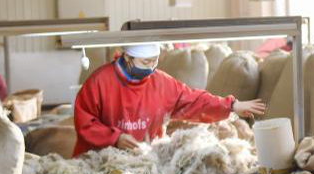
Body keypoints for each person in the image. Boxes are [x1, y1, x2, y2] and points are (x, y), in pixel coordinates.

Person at [73, 43, 266, 156]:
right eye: (145, 62)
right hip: (103, 161)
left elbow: (194, 101)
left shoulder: (162, 83)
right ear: (127, 57)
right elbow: (85, 121)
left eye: (154, 61)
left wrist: (232, 105)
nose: (150, 67)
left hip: (146, 163)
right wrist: (115, 138)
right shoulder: (100, 82)